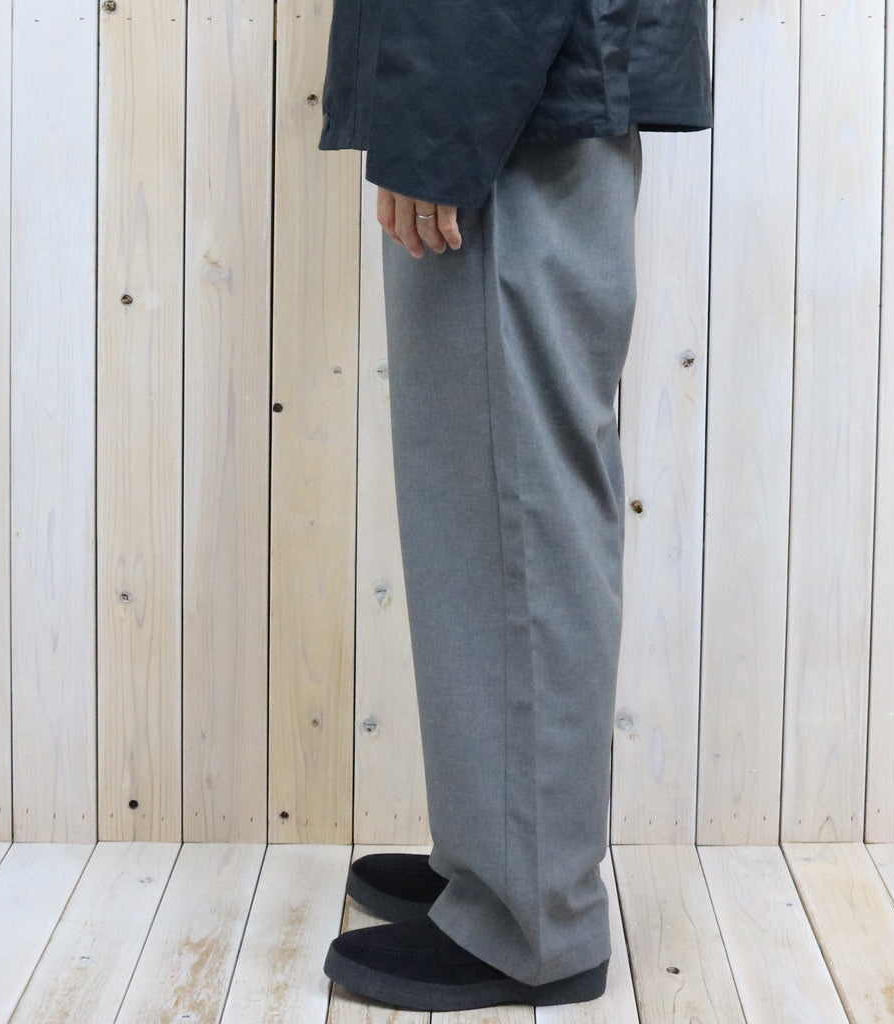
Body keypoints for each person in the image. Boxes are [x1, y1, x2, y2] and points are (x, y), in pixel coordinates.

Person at [317, 0, 712, 1011]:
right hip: (523, 89)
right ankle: (494, 865)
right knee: (488, 498)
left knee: (519, 506)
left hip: (510, 99)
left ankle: (533, 920)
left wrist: (440, 121)